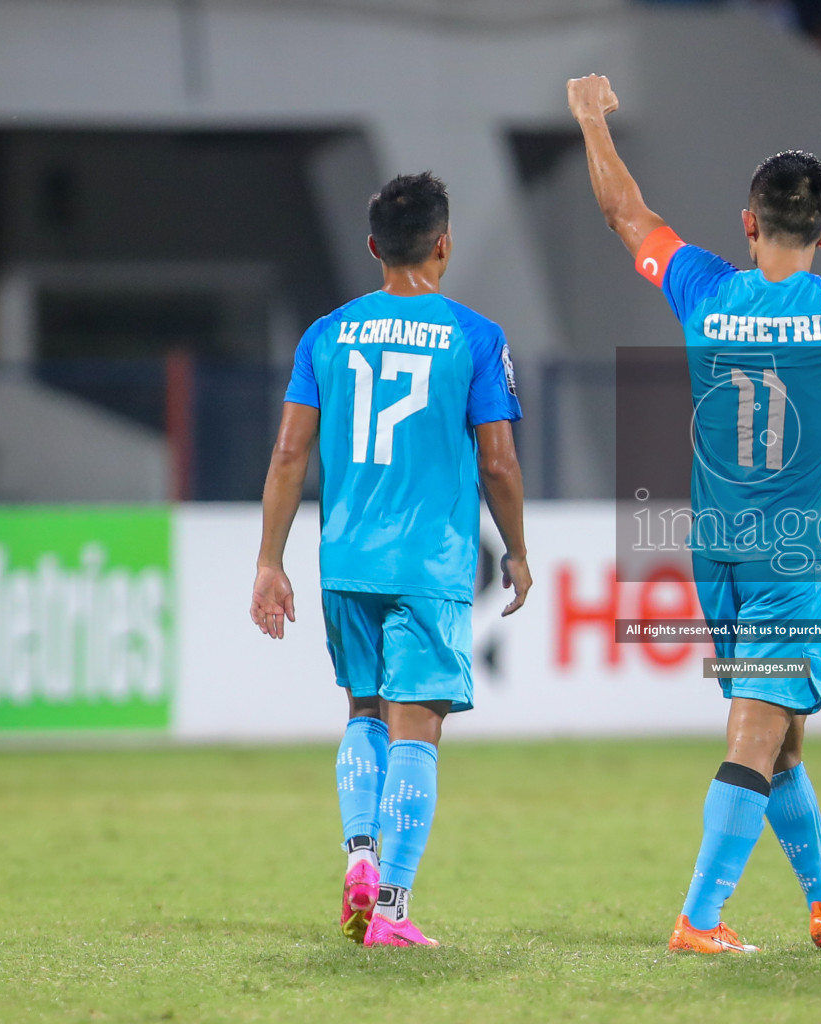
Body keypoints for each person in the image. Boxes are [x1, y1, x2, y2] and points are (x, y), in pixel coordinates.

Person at [567, 72, 821, 954]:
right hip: (796, 555)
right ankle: (699, 920)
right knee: (759, 725)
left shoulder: (704, 291)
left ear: (747, 224)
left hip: (717, 547)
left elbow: (625, 215)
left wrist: (593, 122)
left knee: (781, 733)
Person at [249, 172, 532, 948]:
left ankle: (360, 857)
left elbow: (286, 454)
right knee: (419, 727)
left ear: (373, 247)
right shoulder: (476, 336)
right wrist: (516, 549)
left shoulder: (325, 335)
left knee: (362, 711)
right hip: (430, 564)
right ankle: (393, 912)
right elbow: (500, 465)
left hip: (346, 558)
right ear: (444, 245)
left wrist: (271, 560)